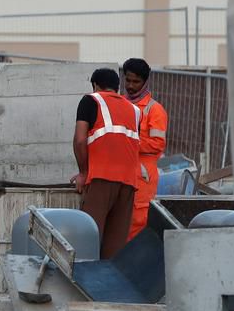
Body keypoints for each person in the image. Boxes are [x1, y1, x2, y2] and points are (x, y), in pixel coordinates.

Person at [71, 67, 141, 259]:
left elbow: (79, 139)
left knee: (89, 238)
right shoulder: (135, 110)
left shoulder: (91, 100)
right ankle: (110, 285)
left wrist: (83, 173)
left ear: (95, 85)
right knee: (115, 246)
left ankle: (84, 286)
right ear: (117, 88)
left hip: (101, 178)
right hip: (129, 183)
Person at [122, 57, 169, 240]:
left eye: (136, 82)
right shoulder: (120, 104)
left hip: (143, 176)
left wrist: (129, 142)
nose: (131, 85)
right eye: (128, 80)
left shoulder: (154, 110)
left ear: (145, 82)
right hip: (121, 171)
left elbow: (158, 144)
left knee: (138, 223)